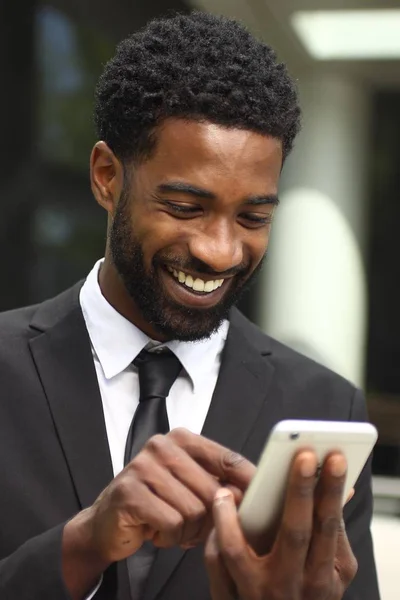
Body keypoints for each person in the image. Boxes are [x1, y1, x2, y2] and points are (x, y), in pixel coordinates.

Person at [0, 10, 379, 600]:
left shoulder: (326, 407)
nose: (221, 252)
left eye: (253, 217)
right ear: (106, 177)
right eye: (185, 207)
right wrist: (82, 545)